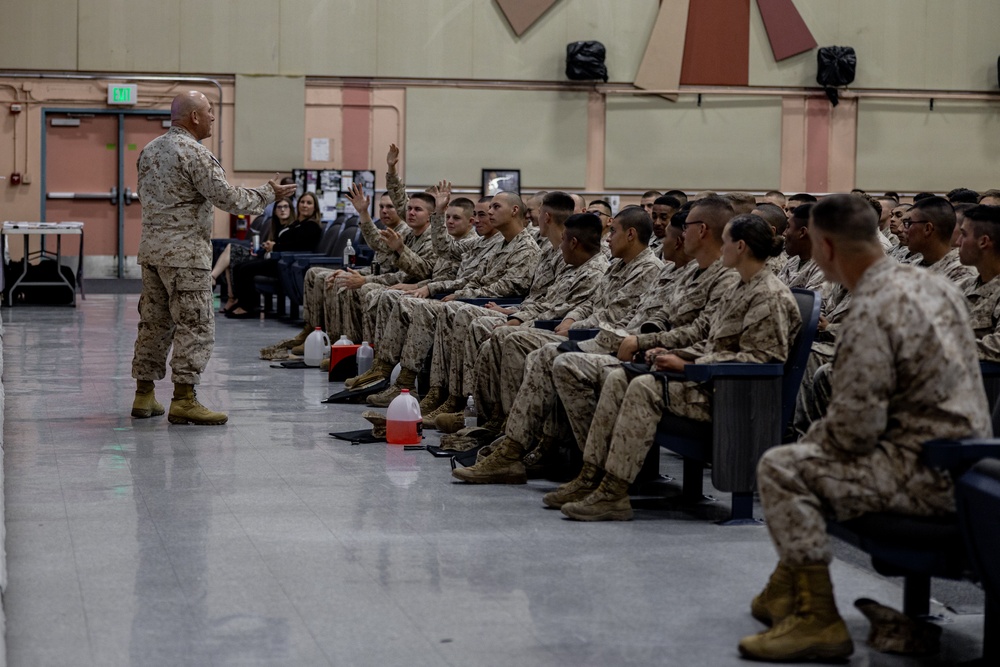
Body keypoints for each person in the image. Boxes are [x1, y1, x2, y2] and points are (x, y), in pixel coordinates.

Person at [738, 194, 990, 662]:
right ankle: (784, 589)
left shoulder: (872, 308)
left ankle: (819, 621)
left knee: (781, 466)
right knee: (809, 451)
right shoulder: (932, 285)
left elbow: (855, 431)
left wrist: (812, 444)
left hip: (922, 474)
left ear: (827, 247)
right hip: (969, 465)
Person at [547, 214, 799, 520]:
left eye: (727, 242)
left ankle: (614, 492)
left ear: (741, 247)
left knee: (643, 387)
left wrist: (690, 363)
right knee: (620, 376)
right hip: (708, 382)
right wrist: (665, 352)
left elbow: (763, 358)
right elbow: (703, 333)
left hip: (731, 395)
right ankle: (593, 478)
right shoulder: (741, 287)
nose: (722, 249)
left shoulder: (768, 294)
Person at [130, 90, 296, 425]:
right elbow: (229, 199)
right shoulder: (194, 153)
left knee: (154, 324)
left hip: (152, 253)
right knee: (195, 324)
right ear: (194, 116)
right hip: (186, 256)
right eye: (210, 111)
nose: (213, 117)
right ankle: (183, 399)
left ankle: (144, 395)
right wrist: (268, 192)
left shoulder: (149, 151)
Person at [226, 192, 323, 317]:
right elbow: (287, 242)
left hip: (288, 263)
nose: (305, 205)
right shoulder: (297, 224)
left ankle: (248, 307)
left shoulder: (312, 226)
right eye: (302, 202)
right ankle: (243, 302)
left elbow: (298, 246)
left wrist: (275, 246)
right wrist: (271, 245)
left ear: (314, 208)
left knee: (245, 269)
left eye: (309, 203)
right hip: (280, 259)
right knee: (239, 266)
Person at [211, 196, 294, 312]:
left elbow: (287, 247)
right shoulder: (275, 227)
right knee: (232, 258)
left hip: (277, 261)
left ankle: (218, 283)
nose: (283, 210)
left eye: (286, 207)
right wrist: (266, 246)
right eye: (279, 207)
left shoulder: (292, 228)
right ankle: (230, 296)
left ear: (291, 209)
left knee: (233, 255)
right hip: (263, 255)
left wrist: (272, 247)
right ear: (274, 211)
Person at [957, 205, 1000, 361]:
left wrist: (942, 347)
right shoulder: (965, 285)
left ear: (983, 242)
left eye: (963, 234)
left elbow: (997, 346)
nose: (957, 241)